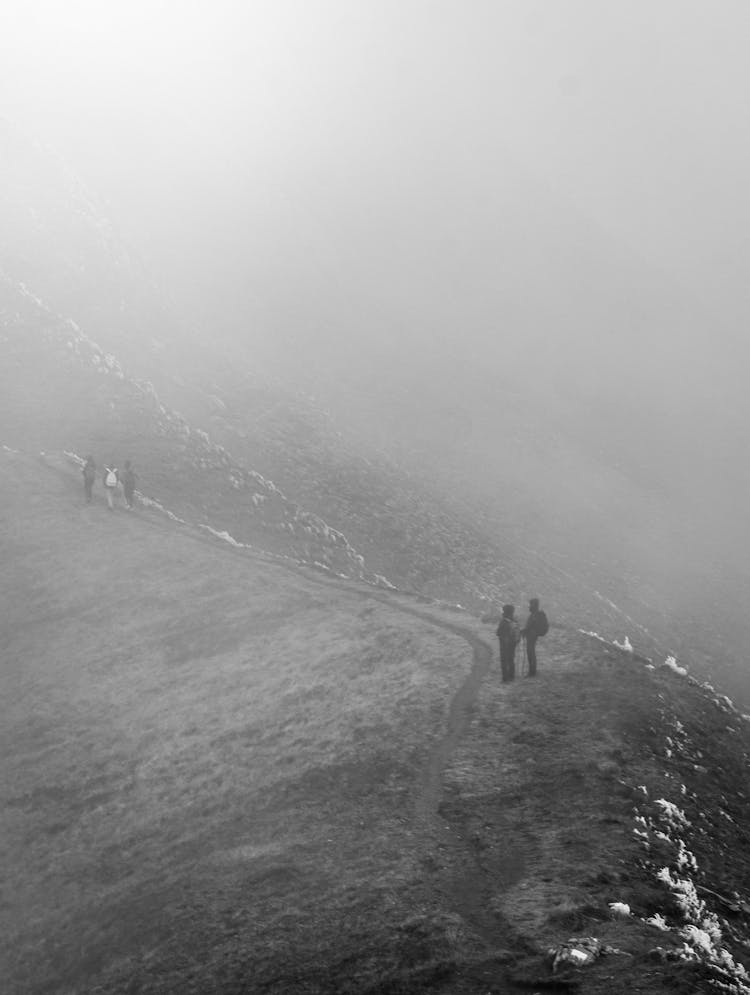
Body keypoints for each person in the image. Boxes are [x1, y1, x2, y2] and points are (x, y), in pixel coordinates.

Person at [521, 598, 548, 677]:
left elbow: (529, 627)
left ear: (534, 605)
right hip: (532, 635)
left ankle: (532, 672)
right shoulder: (536, 614)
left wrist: (523, 631)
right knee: (531, 652)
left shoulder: (535, 615)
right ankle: (532, 671)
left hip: (532, 636)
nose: (529, 607)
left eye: (530, 605)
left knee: (530, 652)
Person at [496, 604, 520, 683]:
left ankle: (505, 679)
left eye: (503, 611)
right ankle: (511, 677)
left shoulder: (504, 622)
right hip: (513, 643)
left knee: (504, 660)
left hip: (504, 644)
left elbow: (498, 632)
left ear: (505, 612)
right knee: (511, 659)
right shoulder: (515, 621)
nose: (502, 612)